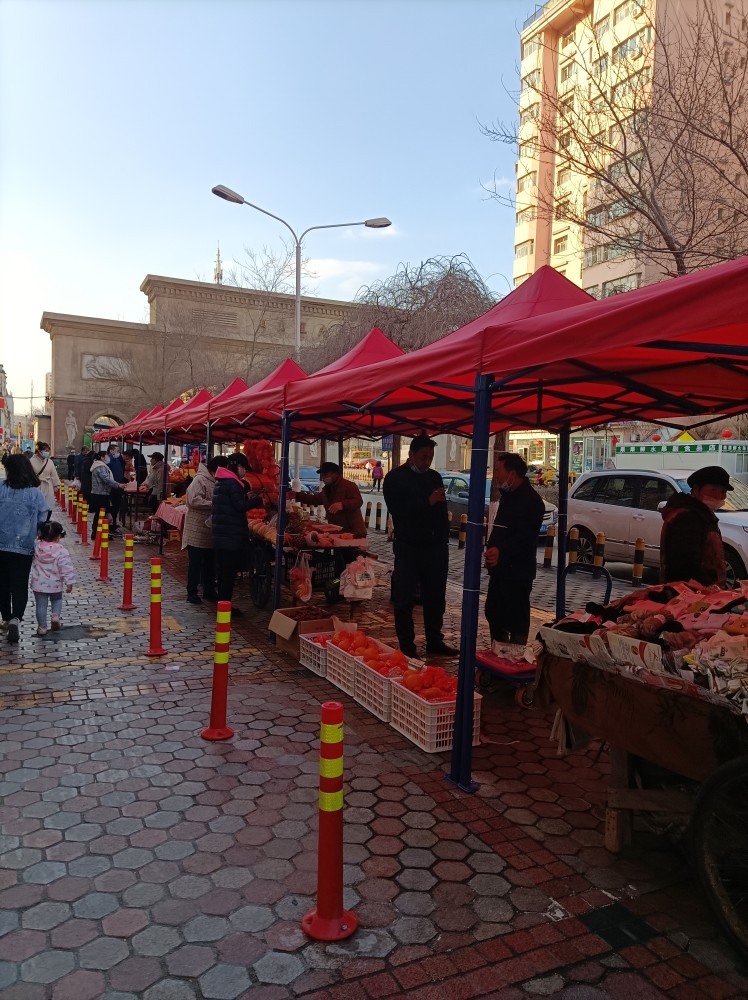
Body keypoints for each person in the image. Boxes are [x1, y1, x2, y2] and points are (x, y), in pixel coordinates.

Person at [383, 434, 458, 658]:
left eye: (430, 458)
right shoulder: (395, 478)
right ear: (411, 454)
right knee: (404, 598)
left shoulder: (434, 477)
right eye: (423, 457)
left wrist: (443, 538)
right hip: (408, 547)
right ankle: (407, 646)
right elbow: (398, 511)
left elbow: (440, 512)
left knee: (435, 596)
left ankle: (435, 641)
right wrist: (427, 501)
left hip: (435, 548)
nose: (427, 462)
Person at [484, 452, 546, 645]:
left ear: (512, 473)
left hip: (517, 572)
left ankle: (514, 659)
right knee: (494, 613)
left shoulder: (532, 501)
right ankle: (498, 657)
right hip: (500, 571)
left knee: (516, 618)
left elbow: (525, 538)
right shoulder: (507, 496)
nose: (496, 475)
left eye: (498, 470)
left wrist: (502, 551)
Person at [0, 454, 49, 643]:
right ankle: (16, 618)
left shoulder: (1, 489)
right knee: (19, 585)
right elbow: (42, 519)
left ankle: (5, 617)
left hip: (1, 545)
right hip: (23, 547)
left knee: (2, 583)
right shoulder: (35, 493)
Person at [660, 466, 731, 586]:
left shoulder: (703, 515)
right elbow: (685, 564)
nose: (721, 496)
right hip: (689, 595)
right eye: (714, 490)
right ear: (697, 489)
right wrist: (708, 588)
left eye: (724, 491)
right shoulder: (687, 517)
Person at [211, 453, 261, 616]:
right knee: (227, 574)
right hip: (230, 537)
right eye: (244, 468)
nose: (244, 472)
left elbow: (232, 504)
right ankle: (225, 609)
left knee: (225, 573)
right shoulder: (232, 483)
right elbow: (240, 506)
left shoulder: (222, 481)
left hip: (223, 535)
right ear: (237, 466)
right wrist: (256, 501)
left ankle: (223, 605)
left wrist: (246, 496)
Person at [182, 455, 227, 604]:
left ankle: (209, 591)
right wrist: (214, 503)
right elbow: (194, 500)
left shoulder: (216, 480)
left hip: (209, 529)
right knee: (195, 562)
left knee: (209, 563)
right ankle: (192, 592)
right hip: (196, 529)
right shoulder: (200, 479)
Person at [295, 462, 367, 537]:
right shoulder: (327, 489)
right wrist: (297, 495)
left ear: (335, 474)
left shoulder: (349, 485)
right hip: (336, 530)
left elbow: (358, 501)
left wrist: (342, 504)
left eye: (326, 475)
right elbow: (315, 499)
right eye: (322, 475)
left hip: (353, 531)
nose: (323, 478)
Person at [31, 520, 75, 635]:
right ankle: (55, 616)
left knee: (41, 606)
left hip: (38, 583)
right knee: (57, 600)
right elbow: (66, 567)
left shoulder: (37, 547)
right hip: (55, 583)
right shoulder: (61, 550)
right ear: (58, 536)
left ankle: (42, 627)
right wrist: (69, 582)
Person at [89, 450, 125, 540]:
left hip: (101, 493)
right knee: (101, 515)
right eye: (106, 456)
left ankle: (100, 533)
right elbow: (106, 479)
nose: (108, 458)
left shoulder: (99, 465)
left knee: (102, 515)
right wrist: (118, 484)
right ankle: (97, 533)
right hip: (101, 494)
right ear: (102, 457)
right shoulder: (100, 467)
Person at [29, 441, 60, 518]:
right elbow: (28, 474)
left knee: (48, 505)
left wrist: (56, 485)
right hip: (36, 486)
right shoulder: (31, 461)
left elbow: (54, 473)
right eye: (45, 451)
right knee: (36, 506)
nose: (47, 452)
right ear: (39, 451)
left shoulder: (49, 461)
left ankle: (46, 521)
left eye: (48, 451)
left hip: (47, 486)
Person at [106, 443, 128, 535]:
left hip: (119, 487)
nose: (119, 453)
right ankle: (111, 526)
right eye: (117, 451)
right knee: (112, 508)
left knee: (116, 507)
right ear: (111, 451)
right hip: (112, 488)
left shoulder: (117, 460)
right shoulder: (109, 459)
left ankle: (114, 525)